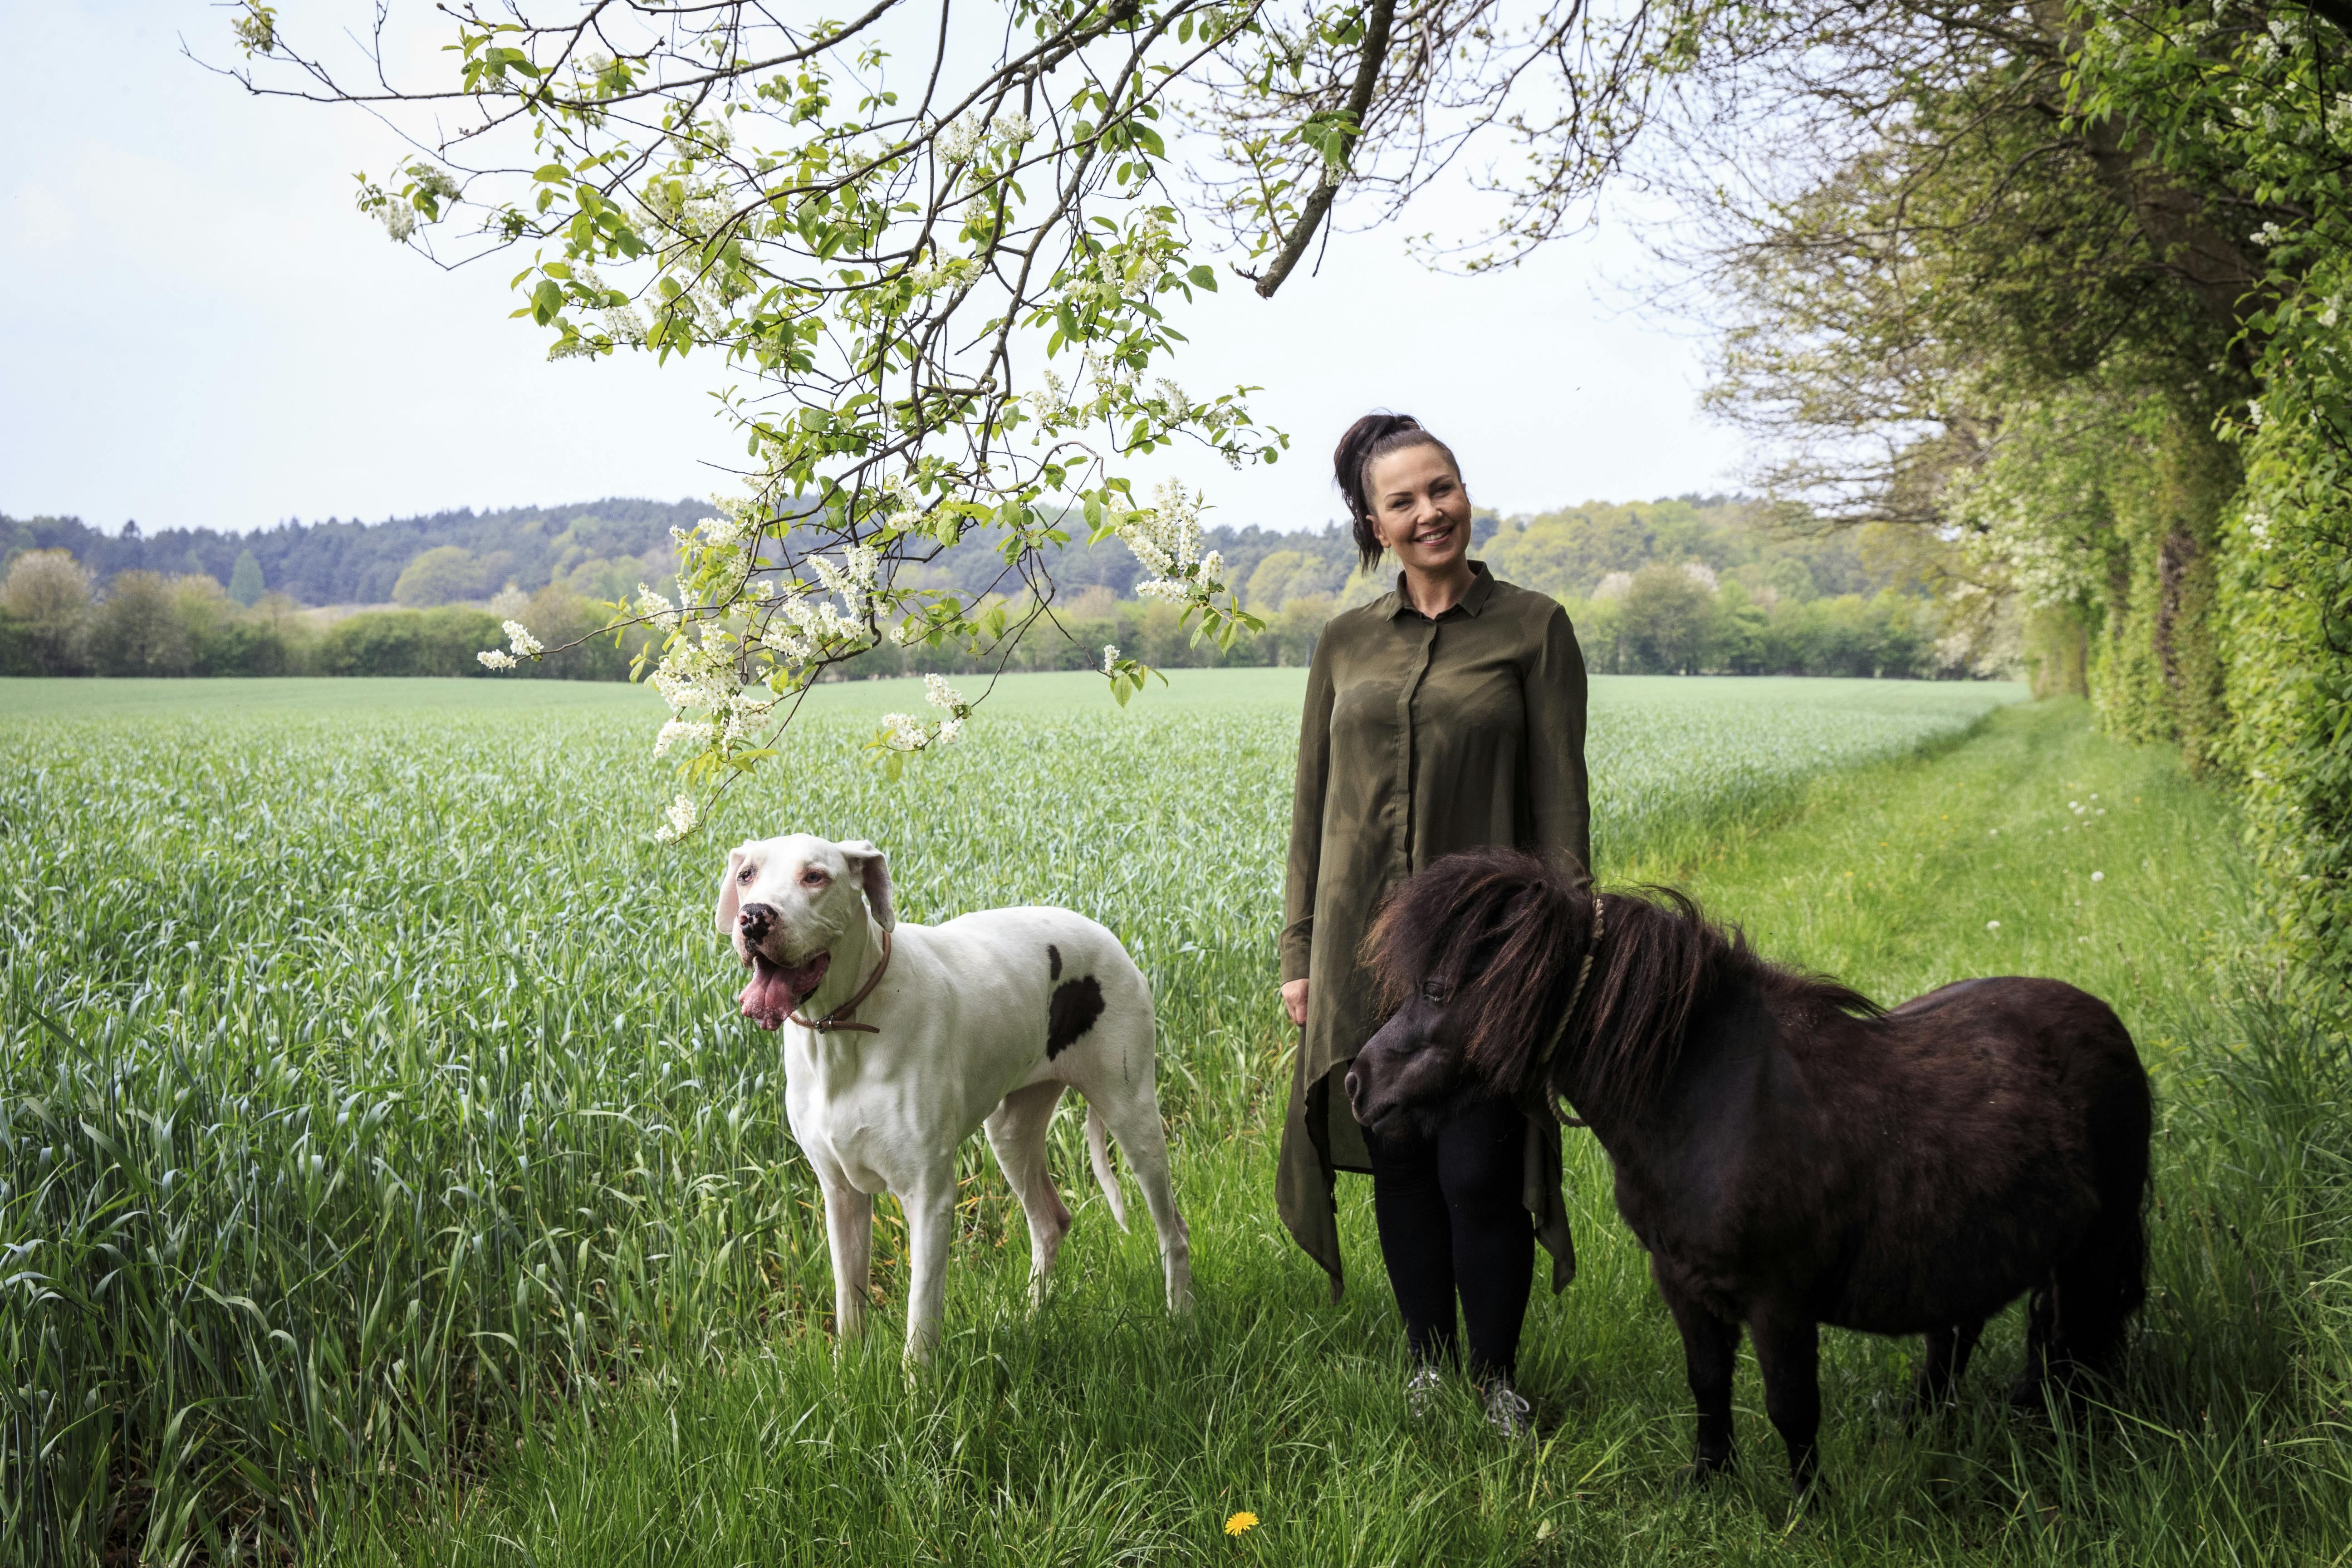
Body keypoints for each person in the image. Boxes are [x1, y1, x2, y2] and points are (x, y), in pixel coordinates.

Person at [1276, 412, 1591, 1437]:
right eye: (1403, 501)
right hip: (1358, 950)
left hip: (1489, 956)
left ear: (1466, 492)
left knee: (1479, 1165)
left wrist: (1566, 945)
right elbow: (1312, 804)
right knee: (1401, 1157)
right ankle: (1427, 1365)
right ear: (1373, 522)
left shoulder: (1534, 629)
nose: (1430, 512)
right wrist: (1298, 957)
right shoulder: (1346, 642)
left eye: (1442, 488)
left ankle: (1496, 1379)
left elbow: (1560, 807)